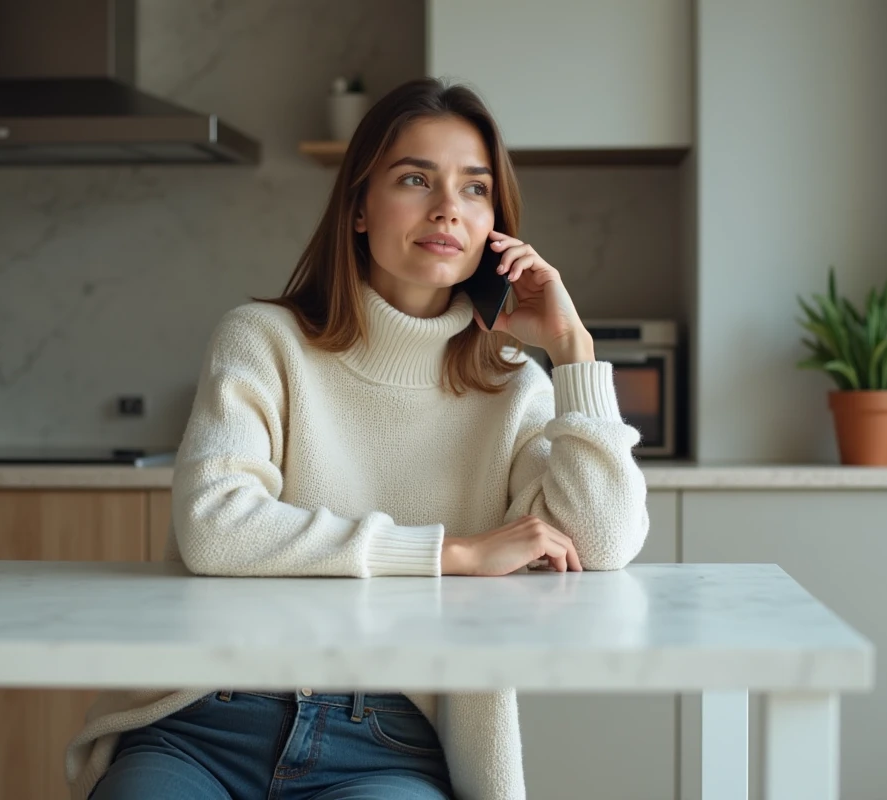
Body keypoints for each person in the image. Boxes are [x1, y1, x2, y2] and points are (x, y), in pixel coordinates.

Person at [65, 76, 649, 800]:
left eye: (475, 189)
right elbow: (215, 528)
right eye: (415, 179)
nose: (447, 209)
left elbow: (604, 543)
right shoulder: (264, 341)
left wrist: (573, 351)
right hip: (206, 719)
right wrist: (453, 555)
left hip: (387, 742)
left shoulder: (514, 387)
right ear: (360, 209)